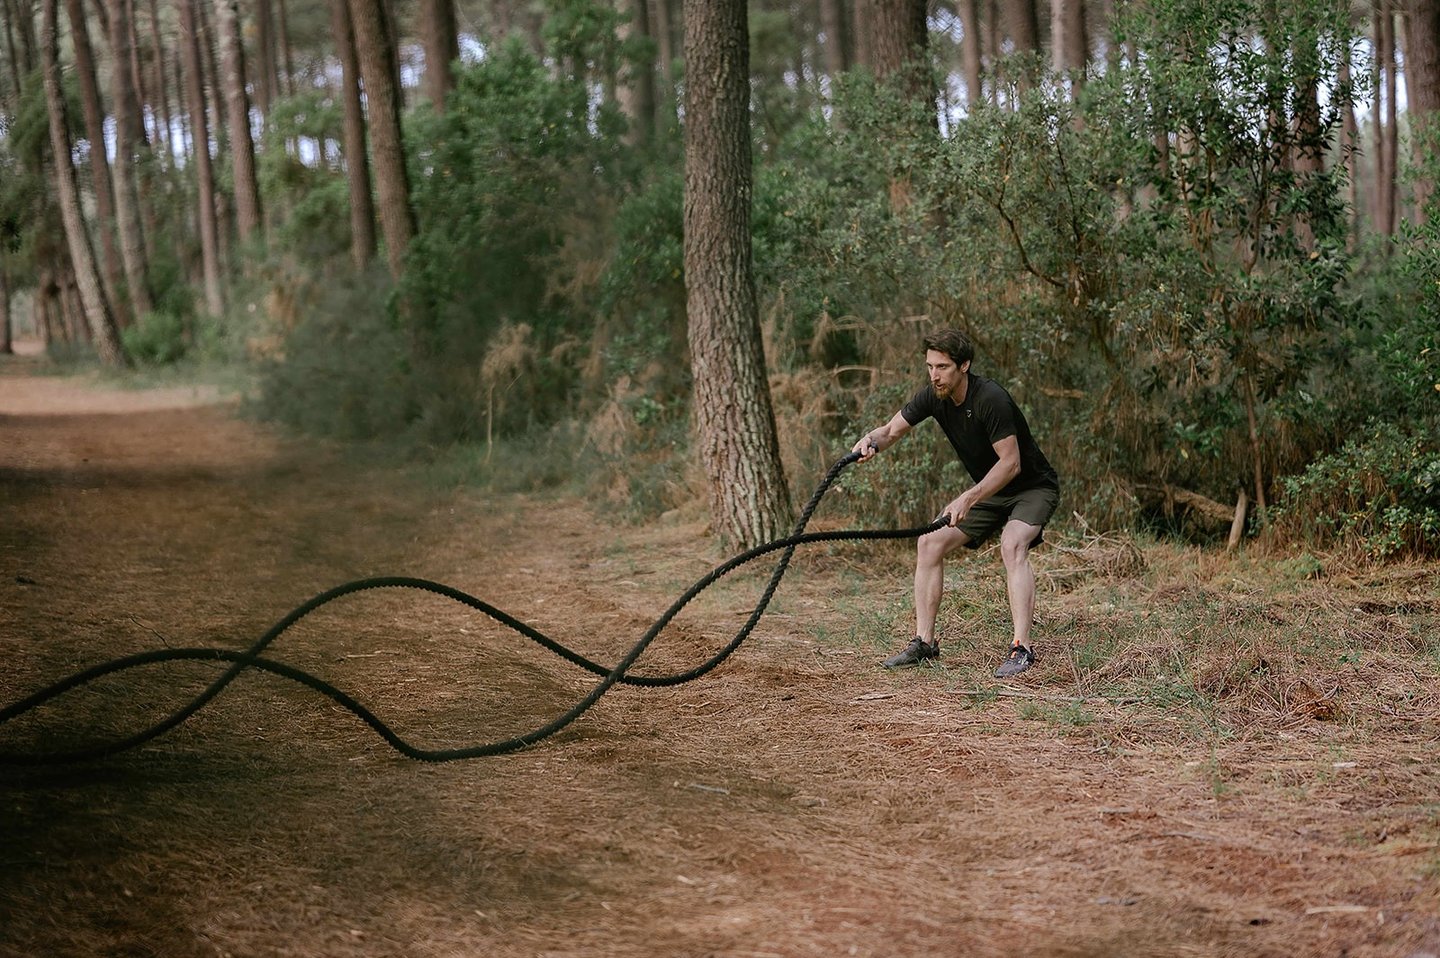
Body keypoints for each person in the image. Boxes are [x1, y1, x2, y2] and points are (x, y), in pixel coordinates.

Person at [851, 329, 1060, 678]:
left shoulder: (991, 398)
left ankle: (1021, 648)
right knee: (929, 542)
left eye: (943, 367)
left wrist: (969, 496)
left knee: (1012, 545)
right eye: (930, 366)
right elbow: (891, 430)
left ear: (964, 365)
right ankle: (924, 643)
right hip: (990, 490)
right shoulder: (934, 396)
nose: (934, 375)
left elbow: (1011, 464)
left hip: (1032, 488)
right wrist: (870, 440)